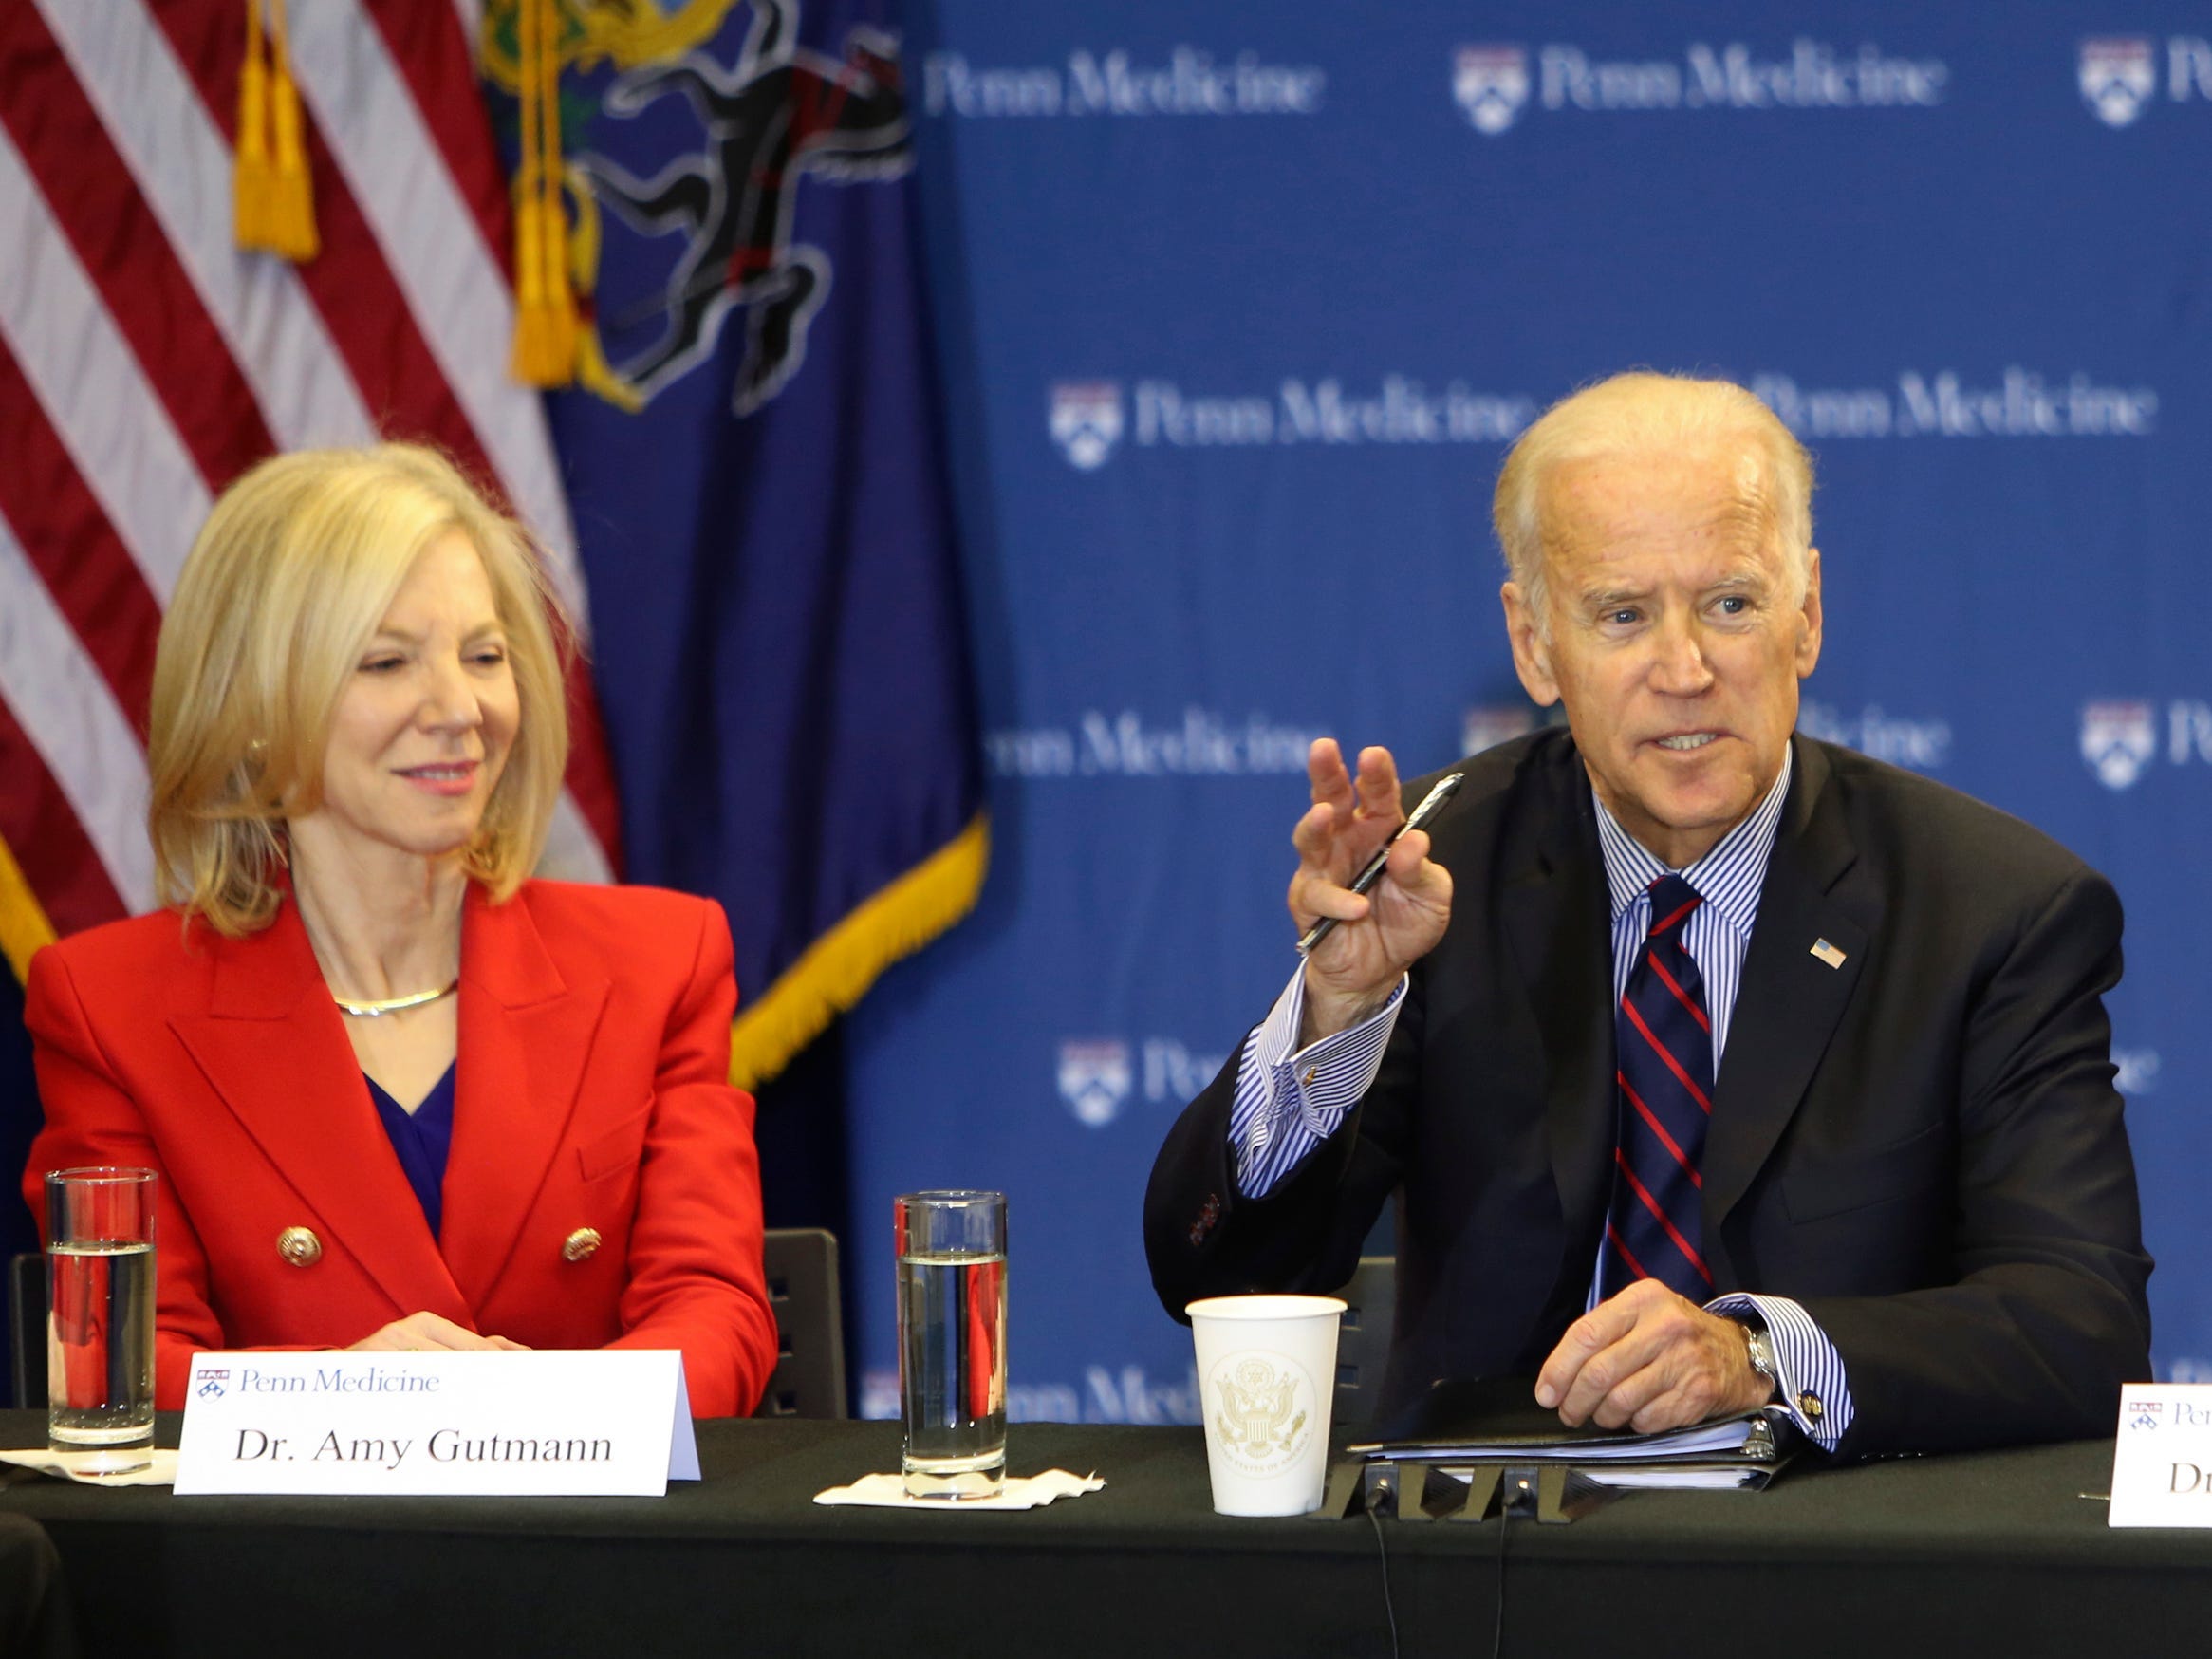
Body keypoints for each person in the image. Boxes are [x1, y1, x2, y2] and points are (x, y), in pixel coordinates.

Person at [1144, 372, 2151, 1458]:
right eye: (1623, 615)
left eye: (1730, 602)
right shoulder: (1436, 875)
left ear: (1806, 613)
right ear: (1534, 644)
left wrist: (1759, 1356)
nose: (1686, 669)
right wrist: (1340, 1005)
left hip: (1836, 1572)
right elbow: (1223, 1279)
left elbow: (2082, 1329)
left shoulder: (1995, 909)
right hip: (1491, 1575)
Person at [23, 443, 777, 1416]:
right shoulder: (107, 1005)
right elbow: (114, 1365)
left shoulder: (660, 961)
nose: (461, 710)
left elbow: (716, 1312)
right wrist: (360, 1396)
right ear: (255, 706)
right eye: (387, 661)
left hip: (591, 1551)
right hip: (281, 1566)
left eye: (484, 655)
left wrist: (542, 1416)